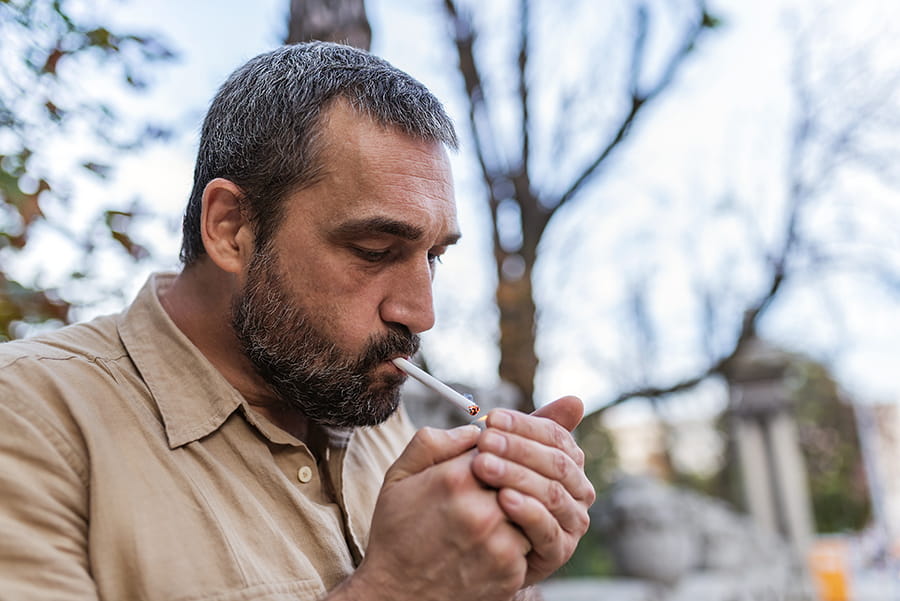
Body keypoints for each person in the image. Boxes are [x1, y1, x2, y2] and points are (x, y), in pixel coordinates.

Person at [0, 42, 594, 601]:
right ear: (231, 228)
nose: (420, 313)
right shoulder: (31, 419)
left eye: (433, 257)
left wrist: (498, 572)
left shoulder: (372, 416)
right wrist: (398, 590)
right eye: (374, 250)